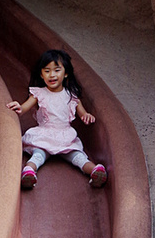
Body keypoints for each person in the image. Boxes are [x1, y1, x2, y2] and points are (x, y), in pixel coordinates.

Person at [6, 49, 108, 190]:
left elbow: (83, 113)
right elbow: (24, 108)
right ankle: (29, 171)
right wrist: (18, 106)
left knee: (78, 156)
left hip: (65, 136)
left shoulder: (71, 96)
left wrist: (87, 116)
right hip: (45, 135)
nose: (52, 75)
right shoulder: (39, 93)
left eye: (57, 70)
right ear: (41, 75)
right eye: (47, 71)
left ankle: (95, 171)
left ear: (65, 73)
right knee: (39, 154)